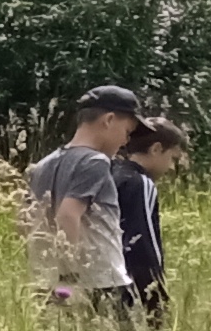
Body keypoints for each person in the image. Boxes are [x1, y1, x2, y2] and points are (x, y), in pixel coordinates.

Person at [22, 85, 140, 311]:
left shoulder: (44, 164)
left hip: (46, 281)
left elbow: (25, 221)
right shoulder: (95, 162)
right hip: (98, 283)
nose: (125, 141)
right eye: (126, 131)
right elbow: (68, 214)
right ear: (109, 119)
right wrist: (69, 278)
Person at [116, 113, 188, 329]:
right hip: (131, 286)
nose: (172, 168)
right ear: (156, 149)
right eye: (172, 158)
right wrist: (156, 295)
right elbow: (144, 243)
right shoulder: (141, 184)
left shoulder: (110, 171)